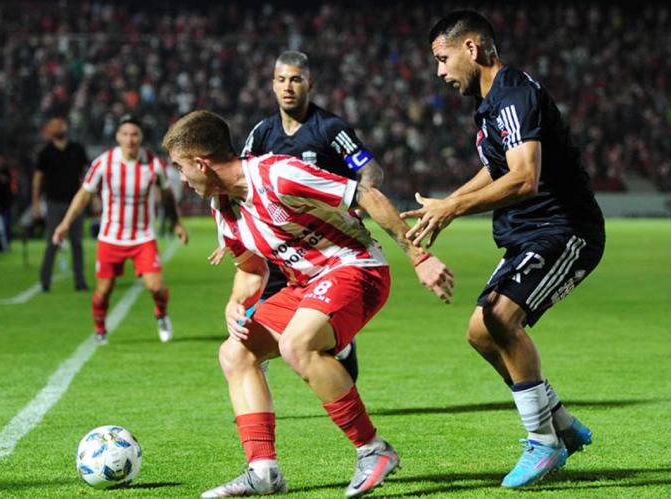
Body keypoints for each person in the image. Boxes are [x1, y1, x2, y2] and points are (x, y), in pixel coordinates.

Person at [162, 110, 453, 498]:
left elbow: (366, 195)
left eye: (180, 167)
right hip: (305, 284)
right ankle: (263, 471)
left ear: (201, 163)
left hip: (356, 267)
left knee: (296, 344)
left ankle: (373, 450)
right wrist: (235, 302)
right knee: (235, 353)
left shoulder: (278, 175)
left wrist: (418, 256)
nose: (181, 179)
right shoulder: (224, 207)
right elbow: (251, 269)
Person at [402, 10, 607, 488]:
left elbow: (524, 177)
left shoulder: (513, 96)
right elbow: (499, 167)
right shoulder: (493, 101)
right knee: (480, 332)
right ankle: (560, 422)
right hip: (530, 234)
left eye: (442, 58)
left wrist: (453, 209)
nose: (439, 72)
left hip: (565, 231)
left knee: (499, 318)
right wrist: (449, 202)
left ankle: (544, 442)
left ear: (471, 48)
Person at [215, 50, 386, 383]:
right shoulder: (262, 132)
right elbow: (238, 181)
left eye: (296, 79)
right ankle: (256, 393)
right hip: (279, 246)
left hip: (324, 247)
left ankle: (340, 357)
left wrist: (358, 205)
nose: (288, 87)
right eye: (281, 80)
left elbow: (371, 170)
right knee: (251, 327)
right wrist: (230, 231)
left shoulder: (330, 129)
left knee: (316, 340)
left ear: (310, 84)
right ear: (272, 85)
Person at [52, 115, 188, 344]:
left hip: (143, 237)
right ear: (117, 137)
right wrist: (65, 223)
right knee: (104, 290)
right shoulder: (103, 163)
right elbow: (84, 195)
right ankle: (100, 329)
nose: (129, 139)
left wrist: (176, 223)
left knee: (156, 287)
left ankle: (162, 315)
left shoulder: (154, 164)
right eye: (125, 134)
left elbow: (167, 196)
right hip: (111, 238)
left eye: (134, 134)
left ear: (141, 137)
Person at [34, 117, 90, 291]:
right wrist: (35, 202)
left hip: (75, 203)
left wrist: (91, 196)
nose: (59, 127)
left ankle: (80, 281)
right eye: (55, 125)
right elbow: (38, 179)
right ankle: (45, 281)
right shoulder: (45, 152)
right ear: (49, 130)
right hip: (54, 203)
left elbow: (86, 175)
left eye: (61, 124)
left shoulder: (77, 149)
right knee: (53, 242)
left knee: (77, 243)